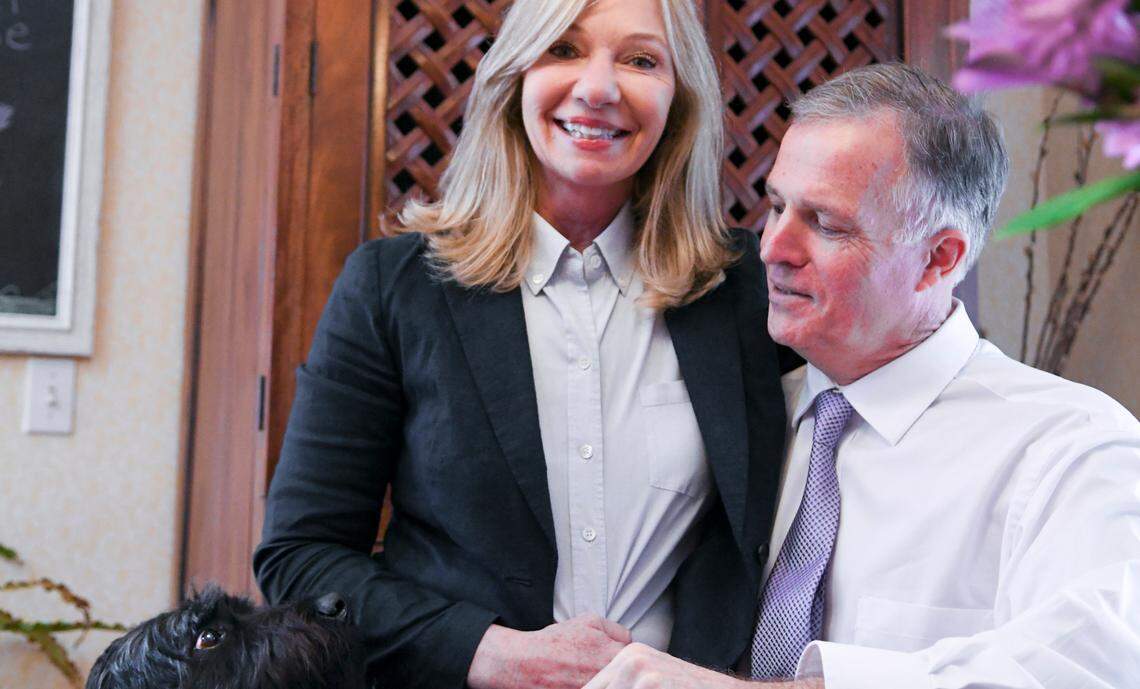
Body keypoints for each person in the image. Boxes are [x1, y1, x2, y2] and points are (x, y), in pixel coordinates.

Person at [252, 1, 789, 689]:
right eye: (563, 49)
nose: (598, 88)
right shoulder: (393, 288)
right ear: (512, 78)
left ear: (680, 99)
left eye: (640, 59)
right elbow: (300, 556)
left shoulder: (743, 289)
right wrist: (493, 652)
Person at [582, 63, 1140, 689]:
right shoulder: (736, 421)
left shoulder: (1073, 447)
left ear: (939, 258)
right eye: (776, 206)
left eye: (824, 224)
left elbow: (1097, 668)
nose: (772, 247)